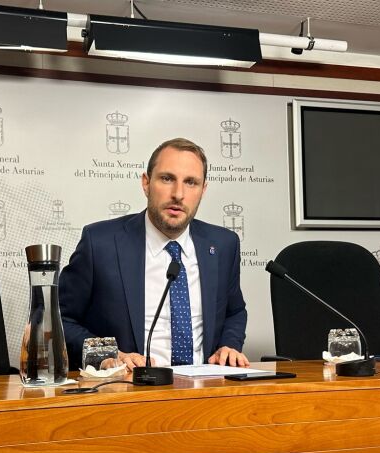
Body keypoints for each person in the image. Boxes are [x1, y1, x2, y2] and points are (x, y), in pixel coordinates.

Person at [59, 137, 249, 371]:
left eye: (191, 182)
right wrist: (108, 355)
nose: (178, 194)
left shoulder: (223, 244)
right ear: (146, 183)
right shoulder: (100, 243)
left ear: (203, 190)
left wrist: (229, 346)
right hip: (130, 385)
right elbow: (60, 321)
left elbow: (234, 311)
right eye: (167, 179)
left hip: (206, 384)